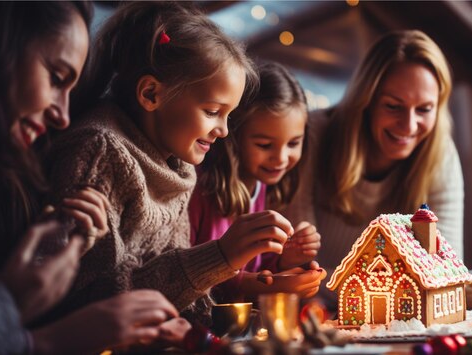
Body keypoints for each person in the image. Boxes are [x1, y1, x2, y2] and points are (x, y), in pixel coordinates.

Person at [45, 2, 292, 324]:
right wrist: (220, 255)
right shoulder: (98, 153)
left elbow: (177, 293)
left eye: (229, 115)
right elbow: (90, 305)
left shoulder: (178, 165)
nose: (224, 130)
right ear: (150, 94)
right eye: (212, 111)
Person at [0, 2, 181, 354]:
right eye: (56, 78)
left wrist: (42, 267)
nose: (63, 116)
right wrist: (49, 339)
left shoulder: (14, 183)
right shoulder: (98, 144)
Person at [282, 30, 464, 310]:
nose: (409, 125)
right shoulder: (313, 134)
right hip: (314, 312)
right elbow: (299, 266)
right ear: (365, 101)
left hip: (400, 317)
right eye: (393, 106)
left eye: (425, 109)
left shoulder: (441, 155)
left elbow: (445, 272)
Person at [189, 61, 325, 303]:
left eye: (293, 143)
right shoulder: (200, 189)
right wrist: (260, 287)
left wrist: (285, 260)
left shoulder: (260, 187)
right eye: (264, 145)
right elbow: (190, 274)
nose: (281, 158)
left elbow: (253, 267)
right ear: (233, 135)